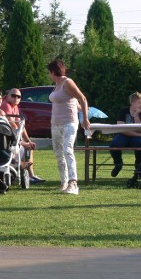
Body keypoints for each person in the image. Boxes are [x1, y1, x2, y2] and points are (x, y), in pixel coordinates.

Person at [47, 59, 90, 195]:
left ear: (53, 72)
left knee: (67, 149)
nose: (49, 75)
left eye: (49, 72)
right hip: (55, 123)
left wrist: (85, 119)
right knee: (58, 153)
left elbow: (82, 98)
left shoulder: (67, 82)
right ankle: (64, 182)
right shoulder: (57, 85)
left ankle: (73, 183)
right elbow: (70, 101)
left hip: (69, 122)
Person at [1, 88, 45, 183]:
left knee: (29, 146)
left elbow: (21, 126)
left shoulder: (14, 106)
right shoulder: (6, 106)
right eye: (13, 96)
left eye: (18, 96)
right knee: (26, 147)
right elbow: (13, 124)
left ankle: (30, 175)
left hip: (12, 137)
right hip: (7, 138)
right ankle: (28, 175)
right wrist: (24, 142)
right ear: (7, 96)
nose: (16, 98)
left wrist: (28, 140)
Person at [109, 92, 141, 177]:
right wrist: (139, 135)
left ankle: (139, 167)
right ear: (132, 103)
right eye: (140, 102)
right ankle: (118, 164)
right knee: (114, 144)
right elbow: (120, 129)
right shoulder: (123, 111)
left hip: (136, 138)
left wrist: (136, 115)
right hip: (124, 135)